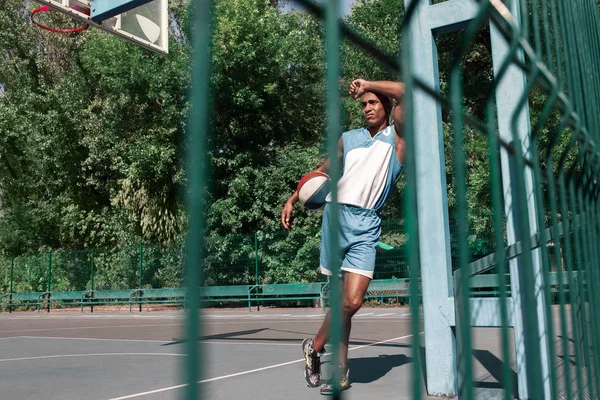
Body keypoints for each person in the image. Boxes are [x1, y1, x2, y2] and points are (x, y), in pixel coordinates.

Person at [280, 78, 406, 395]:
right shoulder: (348, 139)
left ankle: (314, 347)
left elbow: (406, 90)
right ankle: (342, 371)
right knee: (340, 304)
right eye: (363, 104)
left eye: (373, 102)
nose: (366, 108)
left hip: (367, 223)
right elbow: (324, 171)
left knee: (351, 302)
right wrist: (296, 196)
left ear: (387, 106)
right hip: (336, 219)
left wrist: (367, 83)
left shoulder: (399, 137)